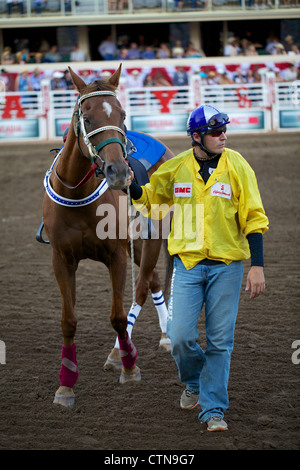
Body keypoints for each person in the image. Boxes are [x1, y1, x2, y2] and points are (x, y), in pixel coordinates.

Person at [125, 105, 269, 432]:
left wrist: (256, 265)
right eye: (216, 132)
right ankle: (195, 380)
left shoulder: (237, 166)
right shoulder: (176, 168)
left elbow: (254, 217)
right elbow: (148, 199)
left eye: (224, 131)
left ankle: (213, 410)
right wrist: (132, 184)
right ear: (196, 137)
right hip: (187, 266)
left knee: (220, 341)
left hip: (228, 267)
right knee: (179, 337)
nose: (223, 137)